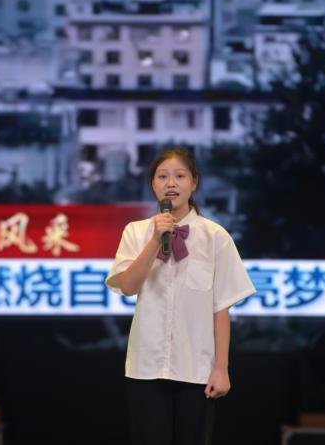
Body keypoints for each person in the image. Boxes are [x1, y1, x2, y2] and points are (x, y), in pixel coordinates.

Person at [105, 147, 255, 445]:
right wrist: (154, 241)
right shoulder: (135, 232)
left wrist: (221, 368)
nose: (171, 183)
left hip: (196, 369)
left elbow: (221, 307)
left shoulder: (216, 237)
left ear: (194, 182)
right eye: (162, 176)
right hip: (146, 367)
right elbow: (128, 287)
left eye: (180, 176)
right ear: (153, 184)